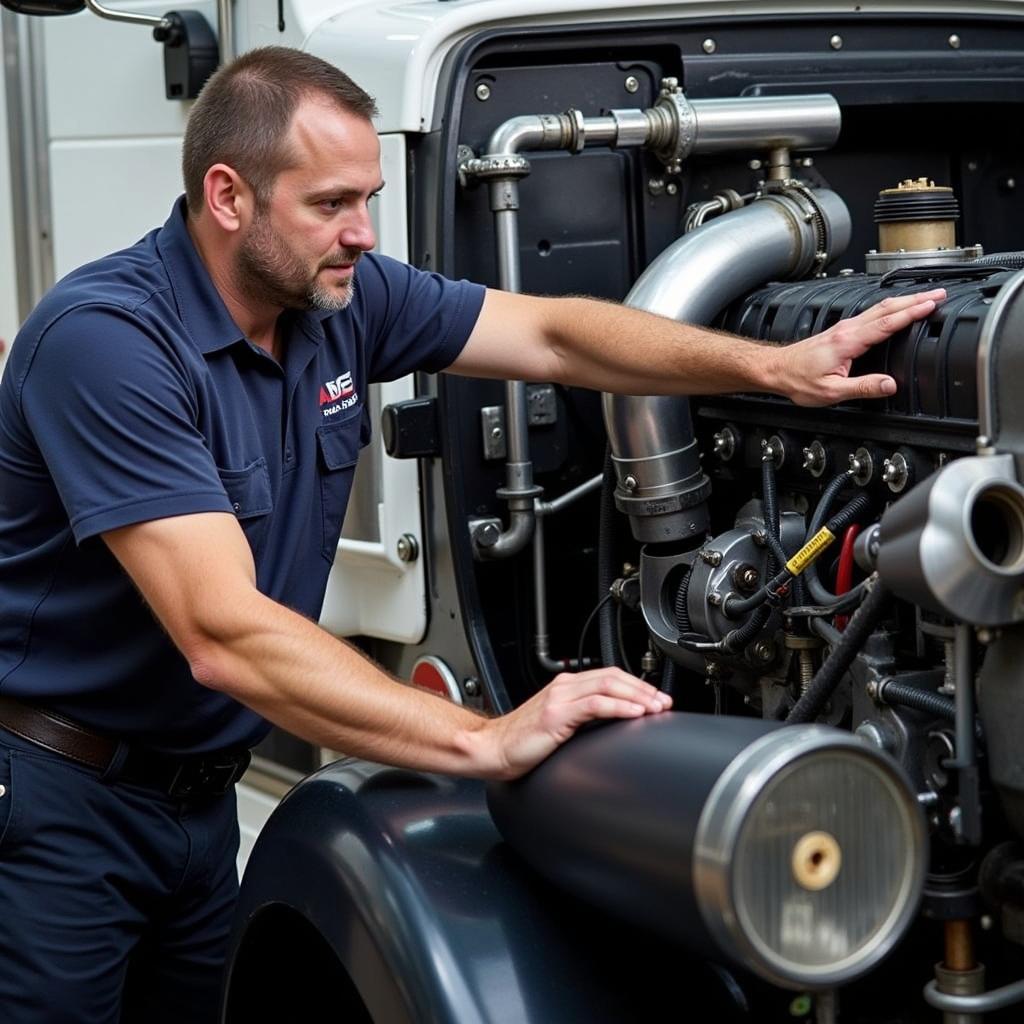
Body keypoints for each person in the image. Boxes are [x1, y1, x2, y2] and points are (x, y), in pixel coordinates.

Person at [0, 45, 944, 1024]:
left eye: (367, 197)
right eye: (330, 203)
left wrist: (772, 369)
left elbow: (552, 335)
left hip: (196, 807)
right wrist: (484, 738)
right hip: (60, 807)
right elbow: (222, 632)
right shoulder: (108, 342)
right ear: (227, 195)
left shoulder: (340, 301)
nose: (362, 233)